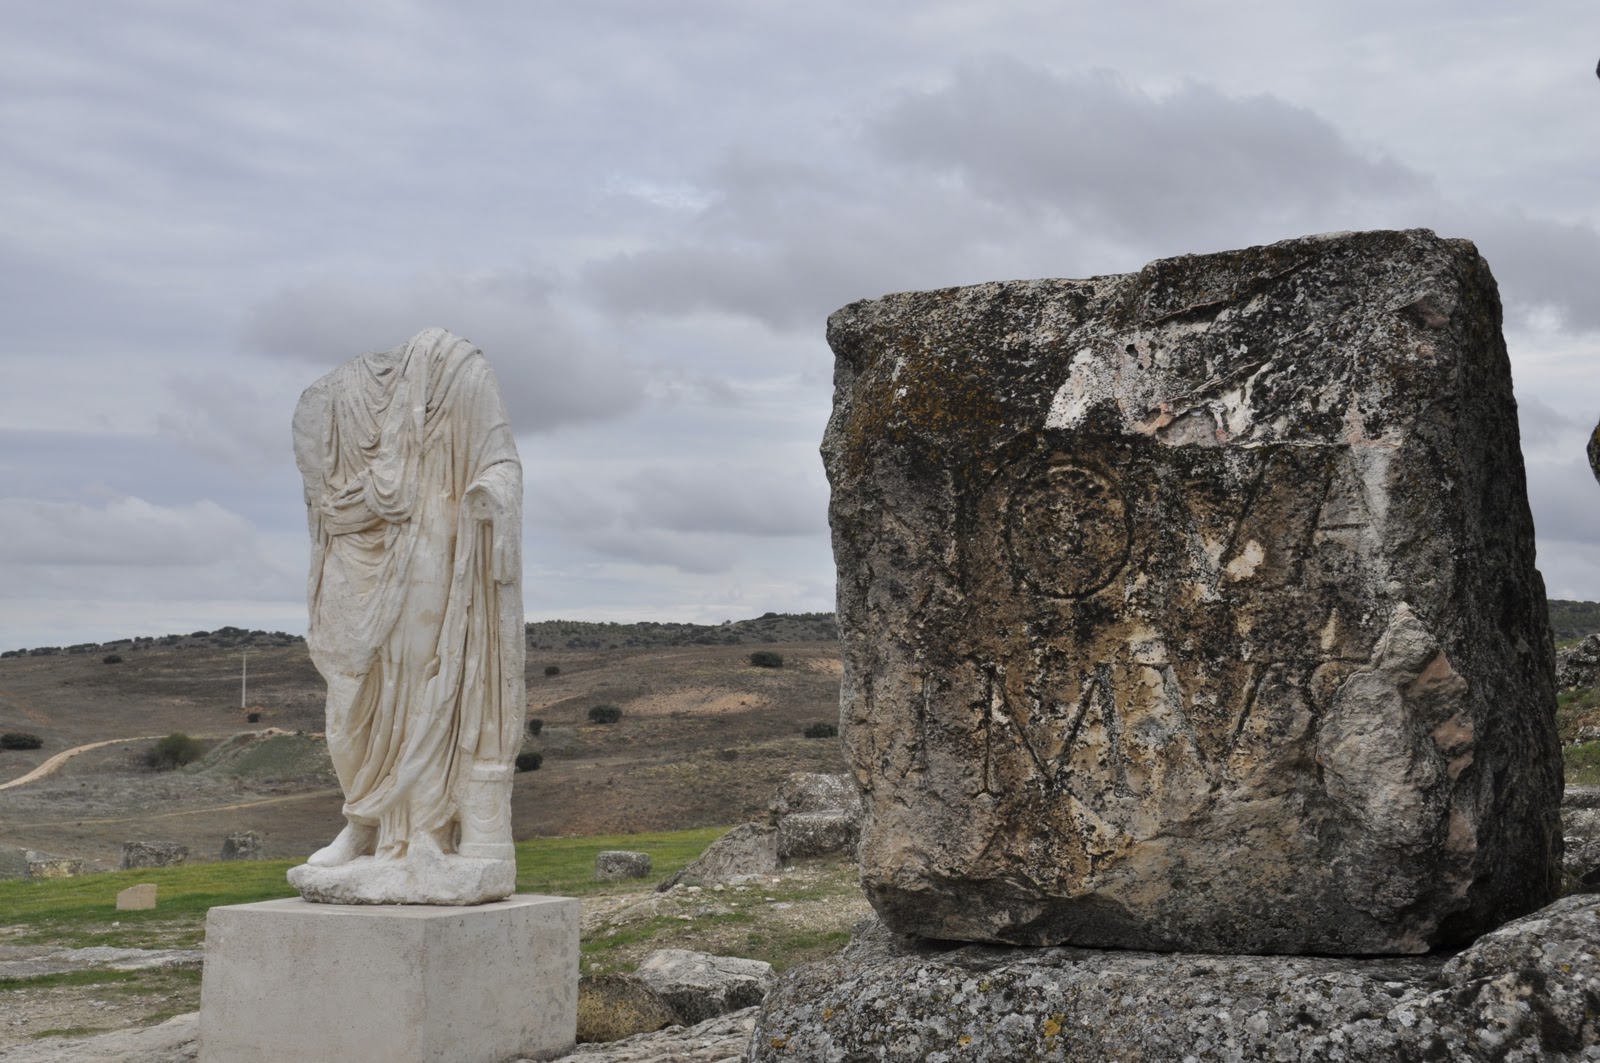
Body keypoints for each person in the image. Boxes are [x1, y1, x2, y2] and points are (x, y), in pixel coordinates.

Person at [288, 327, 523, 903]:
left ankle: (422, 831)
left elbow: (500, 461)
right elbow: (319, 493)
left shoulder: (457, 369)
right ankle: (363, 819)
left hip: (428, 546)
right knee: (348, 701)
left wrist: (491, 494)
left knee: (427, 685)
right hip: (354, 554)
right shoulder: (333, 394)